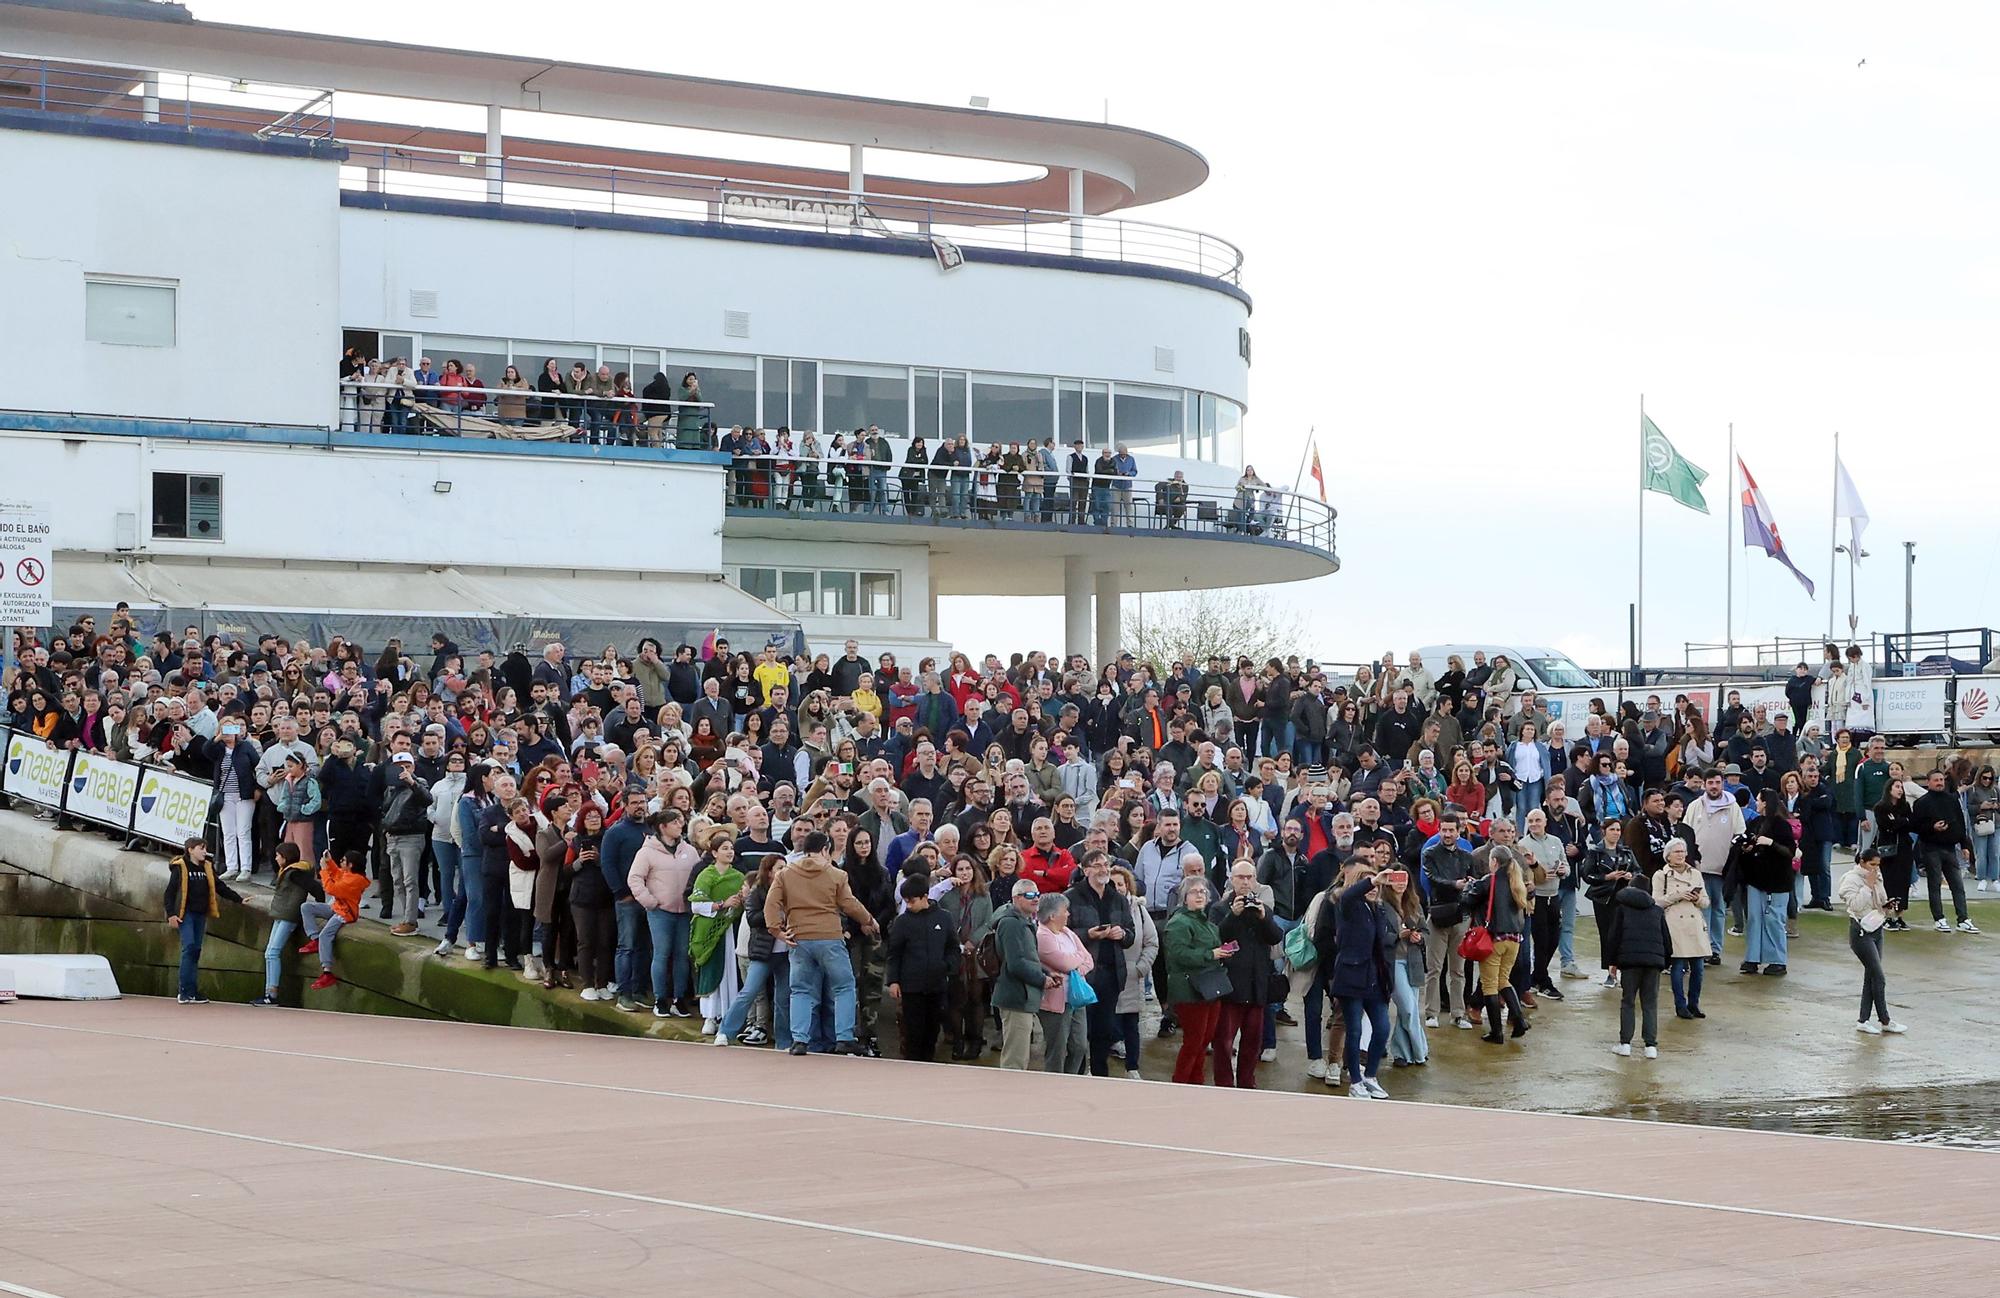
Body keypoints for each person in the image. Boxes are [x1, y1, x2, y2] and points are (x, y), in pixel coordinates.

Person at [764, 830, 879, 1056]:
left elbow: (771, 904)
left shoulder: (785, 874)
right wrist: (868, 919)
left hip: (799, 938)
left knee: (800, 990)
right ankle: (844, 1037)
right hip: (829, 937)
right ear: (825, 849)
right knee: (844, 986)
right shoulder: (836, 874)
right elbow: (848, 903)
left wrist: (776, 930)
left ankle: (799, 1040)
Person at [1326, 862, 1397, 1097]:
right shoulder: (1348, 905)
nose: (1375, 888)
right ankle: (1355, 1081)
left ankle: (1370, 1076)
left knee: (1382, 1028)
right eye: (1369, 884)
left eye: (1377, 884)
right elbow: (1348, 895)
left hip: (1375, 977)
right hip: (1351, 975)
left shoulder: (1378, 909)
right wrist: (1372, 880)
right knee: (1354, 1029)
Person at [1211, 858, 1283, 1088]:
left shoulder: (1263, 908)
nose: (1245, 882)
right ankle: (1224, 1083)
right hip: (1230, 985)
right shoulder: (1219, 908)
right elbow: (1216, 938)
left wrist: (1263, 918)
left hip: (1257, 985)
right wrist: (1233, 914)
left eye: (1249, 877)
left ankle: (1247, 1083)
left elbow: (1276, 937)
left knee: (1253, 1042)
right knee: (1223, 1041)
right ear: (1232, 880)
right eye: (1240, 877)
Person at [629, 808, 701, 1018]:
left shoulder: (690, 851)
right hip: (661, 912)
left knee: (682, 955)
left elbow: (698, 876)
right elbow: (634, 878)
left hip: (685, 912)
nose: (681, 825)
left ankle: (679, 999)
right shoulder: (646, 852)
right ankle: (660, 998)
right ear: (663, 827)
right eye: (676, 822)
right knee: (661, 954)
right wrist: (650, 902)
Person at [1460, 845, 1531, 1045]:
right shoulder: (1515, 881)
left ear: (1494, 861)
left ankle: (1496, 1032)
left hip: (1494, 939)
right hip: (1514, 940)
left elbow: (1468, 901)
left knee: (1490, 984)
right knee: (1503, 980)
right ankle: (1519, 1021)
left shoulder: (1489, 881)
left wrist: (1468, 887)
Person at [1163, 877, 1228, 1085]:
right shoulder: (1178, 923)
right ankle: (1181, 1082)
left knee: (1204, 1041)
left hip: (1210, 987)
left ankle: (1196, 1082)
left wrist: (1222, 953)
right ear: (1184, 897)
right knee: (1194, 1041)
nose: (1200, 895)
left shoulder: (1206, 922)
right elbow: (1179, 954)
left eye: (1203, 891)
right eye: (1194, 892)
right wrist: (1211, 954)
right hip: (1189, 989)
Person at [163, 837, 241, 1005]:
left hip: (201, 913)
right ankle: (184, 991)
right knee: (189, 947)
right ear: (190, 850)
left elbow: (220, 887)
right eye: (201, 848)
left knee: (196, 950)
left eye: (205, 849)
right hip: (186, 913)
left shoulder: (207, 867)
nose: (205, 852)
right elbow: (169, 893)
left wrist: (238, 899)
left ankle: (193, 991)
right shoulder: (180, 867)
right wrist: (170, 914)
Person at [1838, 848, 1907, 1035]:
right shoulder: (1850, 879)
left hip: (1876, 928)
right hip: (1860, 932)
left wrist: (1891, 907)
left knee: (1871, 976)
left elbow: (1880, 903)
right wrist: (1867, 886)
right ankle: (1884, 1019)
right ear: (1862, 862)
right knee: (1878, 977)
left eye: (1877, 865)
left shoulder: (1878, 877)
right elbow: (1855, 905)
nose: (1875, 869)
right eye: (1872, 864)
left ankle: (1863, 1020)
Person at [1604, 875, 1671, 1059]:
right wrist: (1664, 962)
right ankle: (1650, 1046)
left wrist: (1612, 962)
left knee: (1628, 1001)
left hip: (1629, 962)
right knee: (1650, 1004)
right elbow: (1667, 941)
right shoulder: (1657, 911)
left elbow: (1613, 937)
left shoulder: (1621, 909)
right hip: (1653, 963)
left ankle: (1625, 1044)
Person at [688, 829, 746, 1036]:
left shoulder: (738, 877)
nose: (729, 852)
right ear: (714, 853)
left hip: (729, 930)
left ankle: (727, 1016)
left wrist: (738, 903)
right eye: (724, 849)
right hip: (709, 930)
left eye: (731, 848)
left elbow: (742, 903)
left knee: (730, 972)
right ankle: (710, 1016)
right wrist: (721, 904)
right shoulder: (706, 875)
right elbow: (696, 905)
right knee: (712, 970)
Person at [252, 841, 322, 1006]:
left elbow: (316, 889)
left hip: (288, 915)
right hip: (281, 913)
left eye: (278, 855)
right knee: (269, 953)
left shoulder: (295, 873)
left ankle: (272, 994)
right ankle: (269, 993)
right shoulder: (291, 871)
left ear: (285, 857)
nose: (275, 858)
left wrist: (320, 908)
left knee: (272, 952)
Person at [991, 878, 1051, 1069]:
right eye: (1029, 895)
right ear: (1016, 898)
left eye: (1037, 895)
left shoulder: (1024, 922)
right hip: (1015, 997)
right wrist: (1042, 979)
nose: (1035, 899)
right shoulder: (1011, 923)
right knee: (1015, 1060)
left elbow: (1029, 958)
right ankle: (1010, 1097)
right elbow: (1016, 964)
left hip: (1022, 996)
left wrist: (1046, 972)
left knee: (1020, 1057)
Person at [1033, 891, 1094, 1074]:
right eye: (1065, 910)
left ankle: (1071, 1079)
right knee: (1057, 1049)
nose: (1068, 914)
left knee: (1080, 1047)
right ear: (1052, 915)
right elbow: (1066, 962)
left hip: (1076, 998)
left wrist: (1074, 970)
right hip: (1055, 1002)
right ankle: (1055, 1083)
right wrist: (1075, 962)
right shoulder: (1042, 936)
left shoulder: (1068, 932)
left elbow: (1088, 959)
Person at [1911, 767, 1978, 933]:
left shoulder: (1952, 799)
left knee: (1957, 885)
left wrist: (1964, 845)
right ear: (1929, 782)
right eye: (1936, 780)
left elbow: (1960, 823)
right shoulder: (1921, 803)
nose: (1940, 783)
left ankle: (1963, 919)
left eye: (1941, 780)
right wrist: (1932, 827)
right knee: (1934, 885)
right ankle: (1939, 919)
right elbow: (1915, 826)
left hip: (1950, 848)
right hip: (1930, 848)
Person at [1739, 788, 1797, 975]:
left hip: (1778, 881)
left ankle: (1777, 960)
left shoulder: (1782, 826)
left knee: (1774, 919)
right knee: (1754, 918)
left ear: (1765, 802)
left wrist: (1770, 843)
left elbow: (1790, 852)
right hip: (1756, 879)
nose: (1756, 802)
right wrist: (1746, 848)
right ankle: (1752, 958)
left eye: (1758, 799)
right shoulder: (1755, 822)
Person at [1652, 839, 1711, 1019]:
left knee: (1698, 968)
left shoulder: (1695, 874)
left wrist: (1696, 899)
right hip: (1674, 924)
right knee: (1678, 967)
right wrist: (1677, 896)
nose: (1680, 855)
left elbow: (1706, 902)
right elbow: (1656, 901)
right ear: (1668, 855)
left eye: (1683, 851)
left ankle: (1694, 1003)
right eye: (1676, 851)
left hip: (1694, 923)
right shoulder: (1661, 875)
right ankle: (1680, 1005)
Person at [297, 849, 370, 993]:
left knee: (326, 935)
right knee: (307, 907)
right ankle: (314, 938)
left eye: (343, 860)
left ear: (351, 865)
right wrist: (330, 862)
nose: (341, 862)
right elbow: (337, 873)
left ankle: (327, 971)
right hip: (336, 907)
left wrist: (324, 870)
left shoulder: (355, 880)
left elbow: (331, 888)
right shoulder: (349, 874)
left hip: (346, 913)